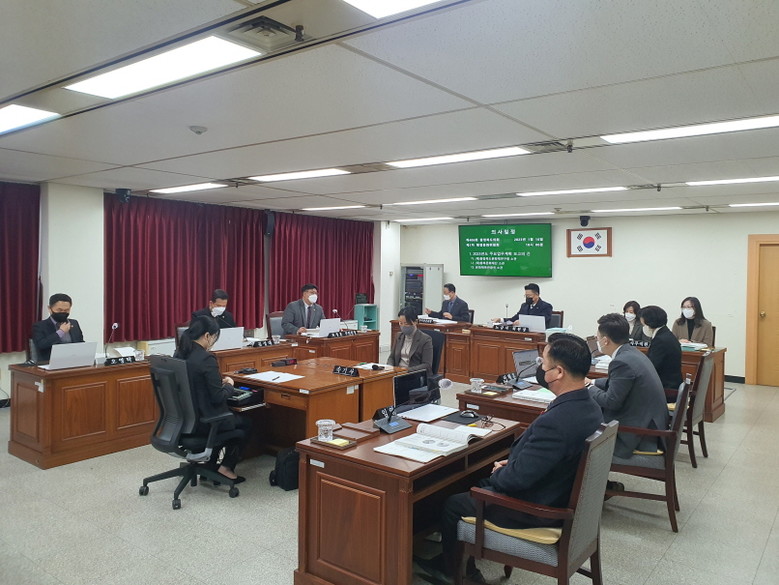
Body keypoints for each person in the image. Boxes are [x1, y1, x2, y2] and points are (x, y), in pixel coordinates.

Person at [416, 333, 603, 583]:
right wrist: (515, 464)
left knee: (454, 503)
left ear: (558, 372)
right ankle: (458, 559)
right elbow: (548, 457)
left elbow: (515, 481)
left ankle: (454, 571)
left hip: (539, 508)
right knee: (476, 482)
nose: (540, 368)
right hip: (558, 490)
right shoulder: (590, 406)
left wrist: (504, 472)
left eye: (543, 363)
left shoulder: (557, 421)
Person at [174, 315, 251, 482]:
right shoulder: (206, 359)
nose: (214, 342)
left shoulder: (179, 353)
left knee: (228, 423)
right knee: (246, 423)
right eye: (215, 338)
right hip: (205, 421)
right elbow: (218, 397)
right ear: (207, 336)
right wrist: (229, 385)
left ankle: (209, 465)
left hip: (183, 421)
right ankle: (226, 468)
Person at [585, 313, 668, 460]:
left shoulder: (621, 362)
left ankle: (589, 472)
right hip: (649, 421)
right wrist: (592, 382)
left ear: (605, 341)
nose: (597, 341)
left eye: (597, 338)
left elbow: (611, 401)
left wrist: (587, 388)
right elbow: (619, 383)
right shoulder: (630, 352)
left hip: (640, 434)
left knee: (582, 427)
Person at [641, 305, 683, 401]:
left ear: (650, 323)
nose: (644, 328)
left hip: (667, 389)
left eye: (644, 325)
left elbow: (650, 367)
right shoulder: (666, 334)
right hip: (672, 385)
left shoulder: (660, 340)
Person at [31, 293, 85, 362]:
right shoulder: (39, 326)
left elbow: (80, 343)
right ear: (49, 308)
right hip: (50, 362)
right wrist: (60, 332)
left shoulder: (74, 323)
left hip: (73, 361)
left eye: (66, 310)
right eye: (59, 310)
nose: (63, 312)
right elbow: (41, 345)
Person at [387, 307, 433, 377]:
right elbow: (391, 357)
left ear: (415, 322)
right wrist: (390, 368)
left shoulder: (425, 339)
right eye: (401, 323)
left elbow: (427, 365)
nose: (403, 326)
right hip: (397, 373)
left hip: (414, 375)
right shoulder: (399, 336)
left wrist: (406, 370)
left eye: (406, 323)